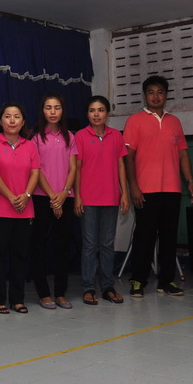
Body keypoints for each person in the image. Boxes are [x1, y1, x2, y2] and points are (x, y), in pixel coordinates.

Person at [123, 75, 193, 297]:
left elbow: (183, 154)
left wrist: (190, 181)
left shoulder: (175, 122)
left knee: (169, 237)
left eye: (160, 92)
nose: (155, 96)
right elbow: (128, 156)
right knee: (144, 237)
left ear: (166, 95)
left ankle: (166, 281)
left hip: (172, 189)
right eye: (151, 92)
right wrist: (133, 187)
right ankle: (138, 280)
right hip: (145, 190)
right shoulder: (134, 121)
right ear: (145, 96)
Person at [0, 102, 40, 315]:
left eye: (17, 116)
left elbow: (35, 173)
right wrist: (11, 197)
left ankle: (18, 299)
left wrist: (26, 196)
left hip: (25, 209)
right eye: (7, 116)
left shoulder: (30, 145)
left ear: (23, 122)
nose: (12, 120)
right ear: (1, 121)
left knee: (20, 256)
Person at [74, 96, 129, 306]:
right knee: (89, 245)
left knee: (107, 244)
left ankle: (108, 286)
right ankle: (88, 288)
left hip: (111, 197)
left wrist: (124, 192)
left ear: (107, 113)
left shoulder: (116, 136)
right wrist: (77, 196)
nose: (96, 114)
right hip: (88, 198)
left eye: (100, 110)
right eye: (92, 110)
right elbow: (77, 168)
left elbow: (121, 165)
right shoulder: (80, 136)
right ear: (87, 114)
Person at [30, 94, 78, 310]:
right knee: (39, 246)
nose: (52, 112)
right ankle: (44, 294)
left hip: (65, 197)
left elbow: (73, 168)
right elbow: (36, 169)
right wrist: (52, 196)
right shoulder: (35, 137)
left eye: (57, 107)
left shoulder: (70, 136)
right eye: (48, 107)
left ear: (62, 111)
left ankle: (60, 293)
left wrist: (64, 193)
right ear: (42, 111)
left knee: (62, 247)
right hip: (42, 198)